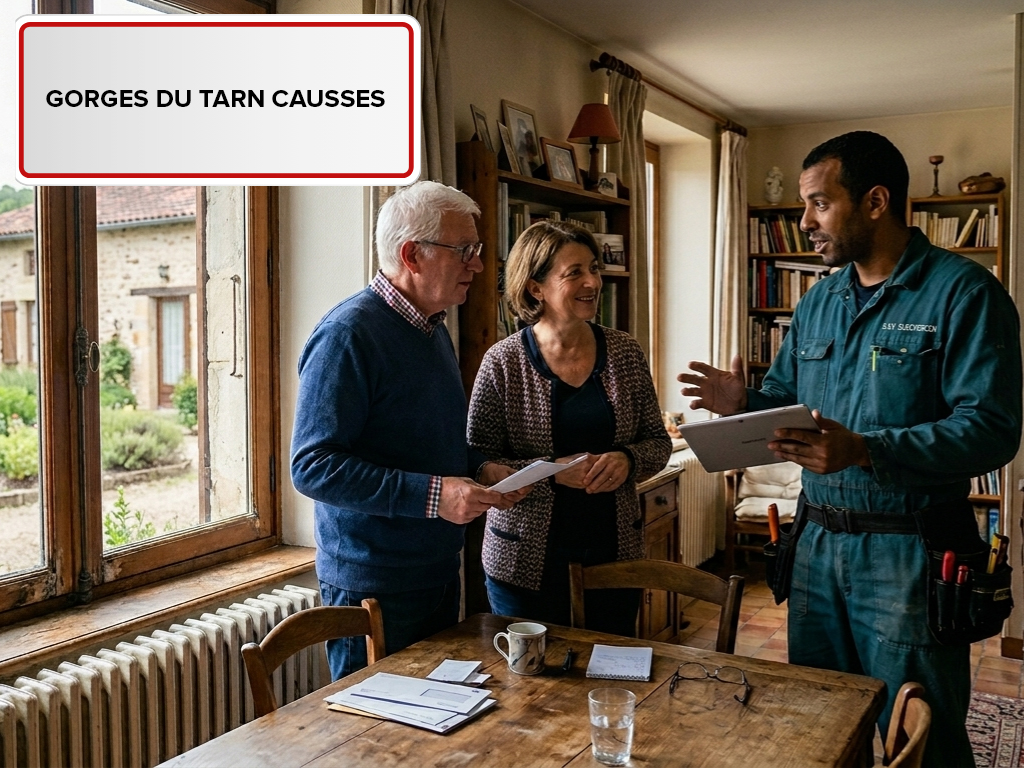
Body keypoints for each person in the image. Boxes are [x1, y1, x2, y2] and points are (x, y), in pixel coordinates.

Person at [678, 131, 1022, 767]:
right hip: (814, 549)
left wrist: (865, 450)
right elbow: (787, 403)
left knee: (923, 739)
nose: (805, 222)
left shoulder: (964, 293)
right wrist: (744, 400)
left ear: (875, 201)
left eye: (819, 203)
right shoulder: (818, 302)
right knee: (820, 727)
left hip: (907, 554)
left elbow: (992, 430)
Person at [291, 181, 527, 680]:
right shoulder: (347, 334)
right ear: (411, 255)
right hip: (372, 585)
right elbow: (312, 467)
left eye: (477, 250)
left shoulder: (431, 327)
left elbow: (423, 440)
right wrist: (436, 496)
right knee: (373, 728)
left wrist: (480, 469)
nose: (478, 265)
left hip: (435, 570)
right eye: (464, 251)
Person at [468, 220, 671, 636]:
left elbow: (658, 442)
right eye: (574, 272)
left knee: (612, 666)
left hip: (615, 556)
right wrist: (552, 473)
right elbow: (477, 461)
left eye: (593, 268)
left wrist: (627, 460)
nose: (592, 282)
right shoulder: (502, 362)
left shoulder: (625, 352)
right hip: (523, 564)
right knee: (531, 676)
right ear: (536, 288)